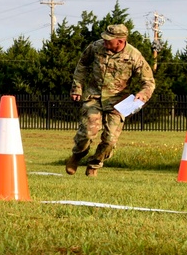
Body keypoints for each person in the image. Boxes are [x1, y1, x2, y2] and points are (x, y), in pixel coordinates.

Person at [66, 24, 155, 177]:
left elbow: (148, 82)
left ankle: (94, 164)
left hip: (119, 103)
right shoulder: (95, 47)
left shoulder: (134, 56)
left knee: (110, 140)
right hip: (94, 97)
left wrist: (142, 94)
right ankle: (77, 156)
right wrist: (77, 87)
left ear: (120, 41)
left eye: (109, 40)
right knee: (86, 134)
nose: (105, 42)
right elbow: (82, 65)